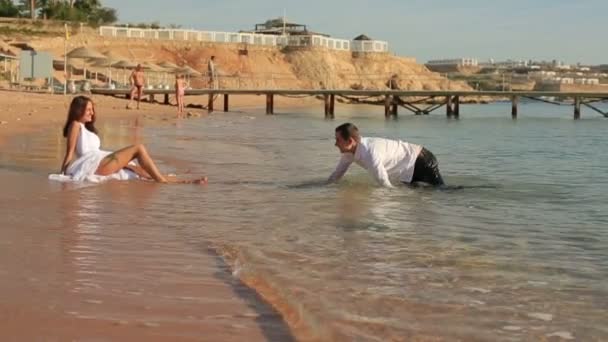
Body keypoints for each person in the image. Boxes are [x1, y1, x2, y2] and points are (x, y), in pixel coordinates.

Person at [59, 95, 207, 184]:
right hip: (93, 163)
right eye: (89, 109)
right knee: (138, 148)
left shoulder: (86, 128)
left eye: (92, 109)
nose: (92, 113)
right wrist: (63, 173)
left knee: (140, 171)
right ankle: (163, 182)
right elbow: (70, 152)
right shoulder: (75, 125)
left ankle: (182, 181)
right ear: (79, 109)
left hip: (102, 160)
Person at [328, 123, 445, 188]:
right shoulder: (348, 154)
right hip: (408, 169)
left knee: (442, 191)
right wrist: (322, 189)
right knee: (420, 195)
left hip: (421, 161)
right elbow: (336, 176)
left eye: (338, 140)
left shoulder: (369, 152)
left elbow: (384, 183)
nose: (335, 144)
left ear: (350, 141)